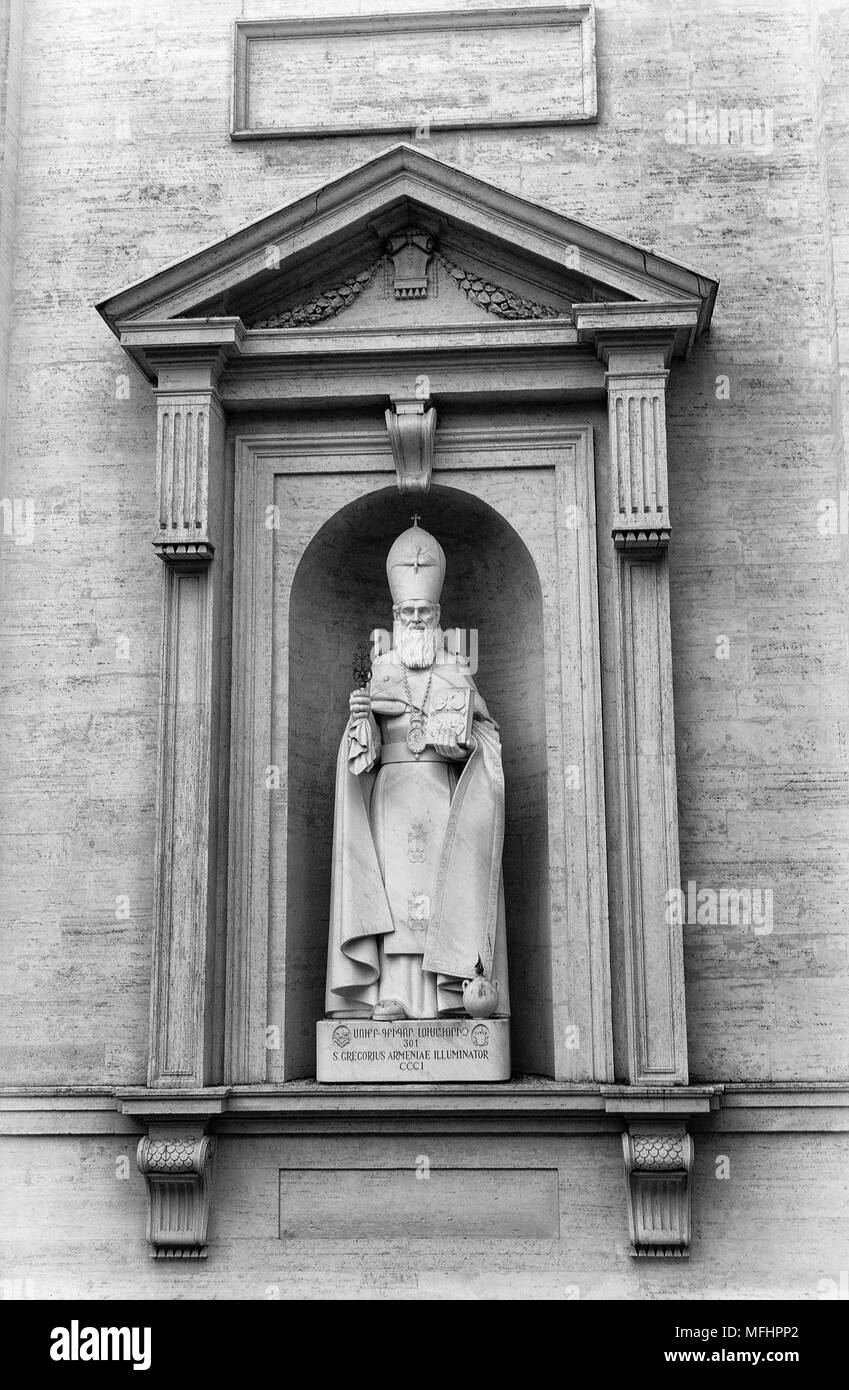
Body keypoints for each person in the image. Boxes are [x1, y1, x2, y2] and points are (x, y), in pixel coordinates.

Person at [324, 519, 510, 1021]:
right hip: (390, 797)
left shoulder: (455, 669)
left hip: (439, 792)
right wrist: (360, 720)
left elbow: (488, 739)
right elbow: (358, 756)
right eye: (407, 611)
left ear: (439, 615)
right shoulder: (379, 670)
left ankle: (448, 995)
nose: (415, 617)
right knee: (392, 896)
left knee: (438, 895)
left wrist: (463, 740)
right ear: (393, 614)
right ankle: (395, 995)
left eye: (423, 611)